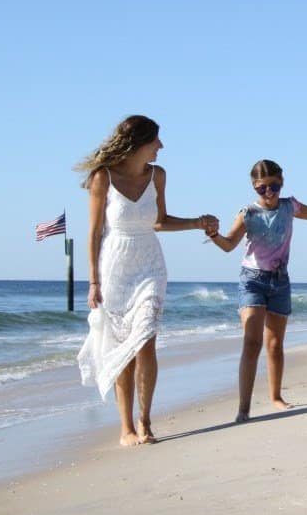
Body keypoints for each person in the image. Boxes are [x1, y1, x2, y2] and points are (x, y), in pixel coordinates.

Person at [76, 115, 219, 446]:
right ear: (139, 143)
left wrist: (197, 222)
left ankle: (145, 421)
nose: (161, 146)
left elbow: (160, 221)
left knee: (146, 340)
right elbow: (95, 232)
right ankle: (125, 427)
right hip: (115, 266)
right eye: (156, 140)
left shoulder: (158, 176)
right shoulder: (103, 177)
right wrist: (93, 282)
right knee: (121, 348)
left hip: (150, 265)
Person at [207, 159, 307, 422]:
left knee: (275, 344)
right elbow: (228, 245)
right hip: (252, 281)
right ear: (254, 187)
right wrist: (213, 235)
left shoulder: (289, 206)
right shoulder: (247, 213)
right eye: (262, 188)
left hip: (280, 281)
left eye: (274, 186)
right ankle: (243, 409)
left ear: (282, 182)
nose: (269, 193)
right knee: (252, 341)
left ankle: (276, 397)